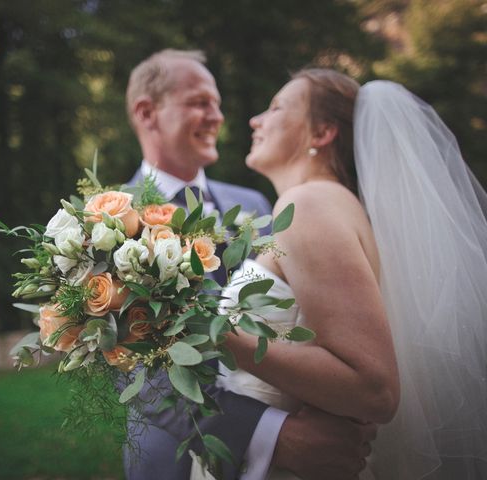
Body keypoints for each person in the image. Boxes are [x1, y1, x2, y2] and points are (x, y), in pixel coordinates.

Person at [217, 68, 487, 479]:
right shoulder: (325, 206)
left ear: (322, 133)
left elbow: (373, 389)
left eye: (276, 108)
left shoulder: (308, 207)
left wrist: (216, 334)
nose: (256, 120)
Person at [123, 49, 377, 480]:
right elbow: (132, 366)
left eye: (218, 104)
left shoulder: (257, 203)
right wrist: (276, 436)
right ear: (147, 112)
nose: (218, 117)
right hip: (175, 460)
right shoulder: (108, 221)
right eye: (200, 102)